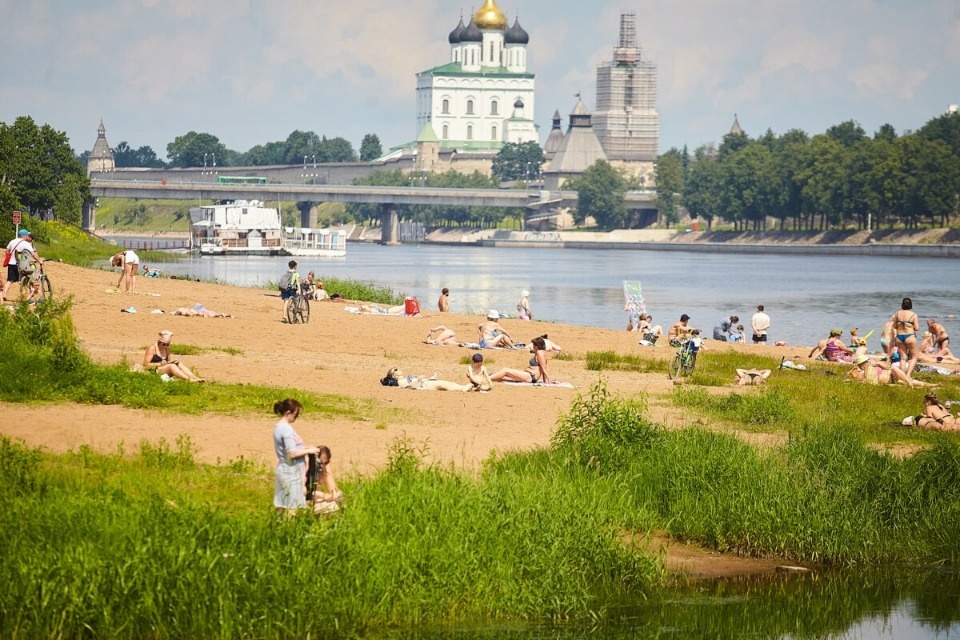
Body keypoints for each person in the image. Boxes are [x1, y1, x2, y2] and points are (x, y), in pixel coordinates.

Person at [272, 398, 322, 514]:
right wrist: (308, 451)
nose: (296, 417)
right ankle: (289, 528)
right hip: (290, 472)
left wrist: (307, 448)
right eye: (296, 414)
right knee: (292, 507)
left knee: (282, 505)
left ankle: (279, 527)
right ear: (288, 413)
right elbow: (292, 454)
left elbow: (291, 449)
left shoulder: (278, 427)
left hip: (284, 469)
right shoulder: (286, 429)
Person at [848, 353, 936, 388]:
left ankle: (932, 385)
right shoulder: (860, 371)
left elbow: (887, 367)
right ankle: (912, 383)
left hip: (892, 374)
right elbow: (855, 378)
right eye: (866, 361)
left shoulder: (874, 365)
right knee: (910, 381)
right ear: (861, 364)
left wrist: (878, 364)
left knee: (894, 369)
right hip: (888, 379)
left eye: (868, 360)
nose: (868, 362)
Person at [3, 229, 44, 302]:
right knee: (27, 278)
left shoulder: (12, 241)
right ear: (25, 236)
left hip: (11, 263)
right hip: (20, 265)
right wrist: (39, 261)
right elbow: (33, 254)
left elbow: (6, 251)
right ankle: (27, 297)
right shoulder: (26, 244)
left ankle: (4, 295)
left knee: (9, 280)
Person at [309, 445, 344, 515]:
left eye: (325, 463)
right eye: (320, 463)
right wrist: (323, 495)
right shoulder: (306, 470)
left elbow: (333, 488)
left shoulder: (324, 468)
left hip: (315, 500)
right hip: (305, 501)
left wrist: (337, 495)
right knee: (332, 507)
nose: (322, 466)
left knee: (336, 504)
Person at [381, 366, 473, 391]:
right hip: (424, 384)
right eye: (396, 370)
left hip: (426, 383)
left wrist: (434, 376)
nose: (399, 369)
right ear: (393, 375)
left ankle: (463, 387)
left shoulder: (403, 379)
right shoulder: (400, 382)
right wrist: (418, 379)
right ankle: (462, 388)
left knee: (445, 384)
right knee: (444, 384)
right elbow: (410, 385)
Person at [891, 297, 920, 376]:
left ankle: (902, 375)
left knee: (903, 358)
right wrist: (910, 326)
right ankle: (908, 375)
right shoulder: (913, 315)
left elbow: (894, 326)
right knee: (914, 357)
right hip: (909, 336)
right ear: (911, 305)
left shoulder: (897, 313)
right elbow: (917, 328)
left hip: (899, 337)